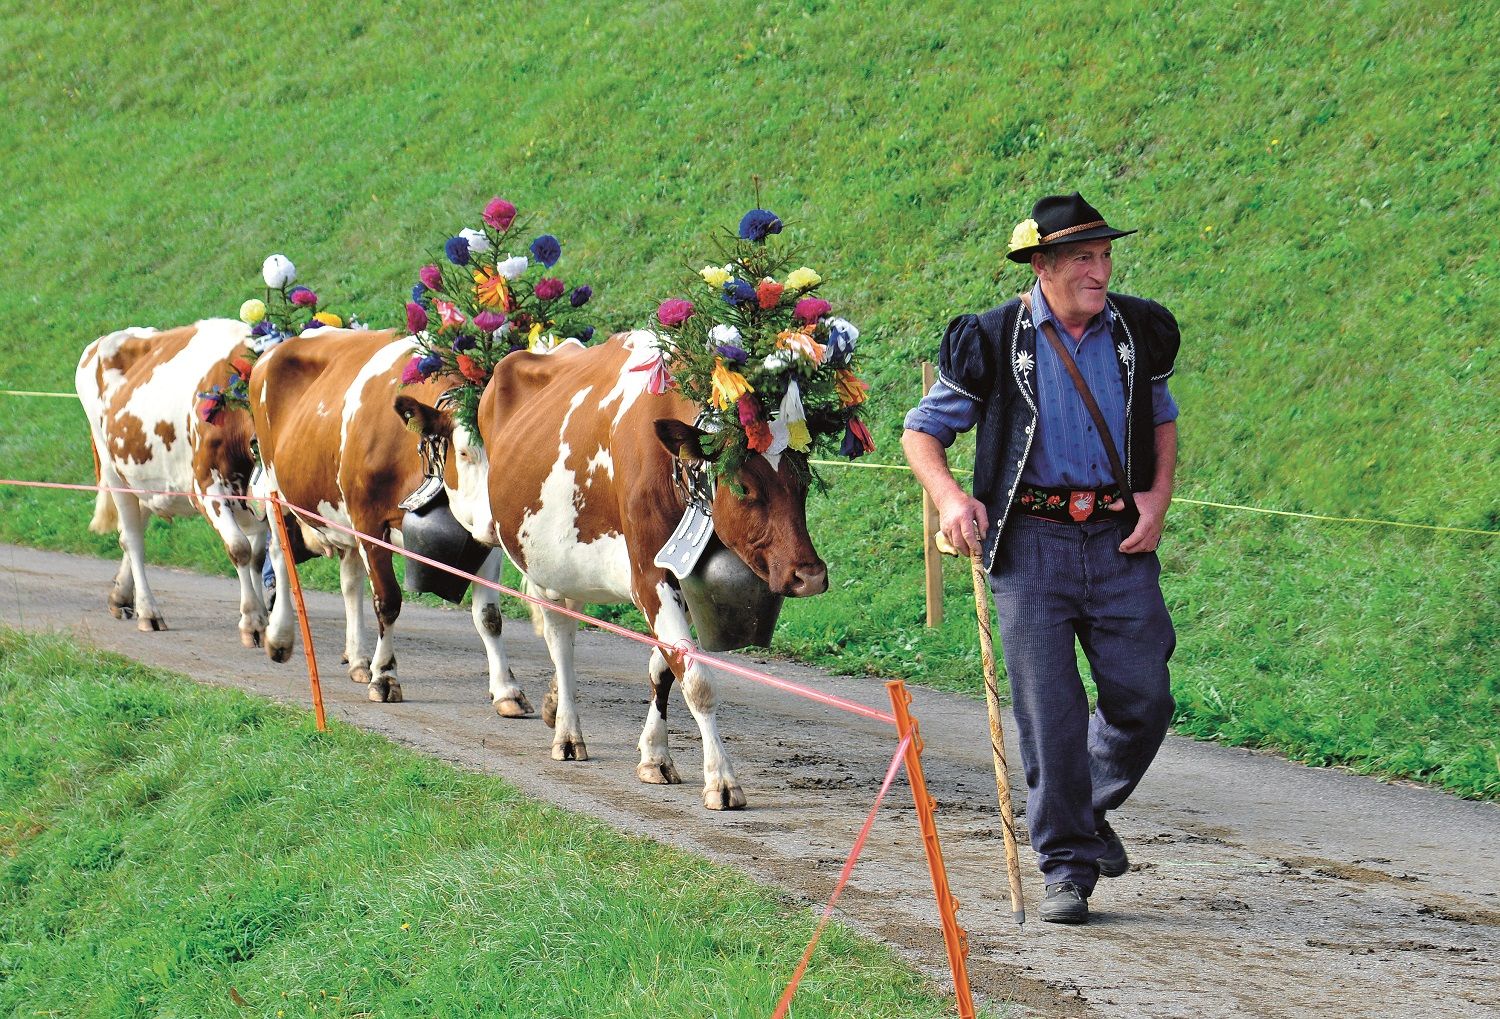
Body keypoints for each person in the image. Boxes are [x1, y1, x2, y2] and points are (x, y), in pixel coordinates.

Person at [902, 191, 1180, 925]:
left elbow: (1162, 419)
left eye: (1105, 255)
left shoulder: (1138, 330)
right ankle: (1068, 865)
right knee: (1052, 711)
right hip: (1031, 545)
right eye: (1085, 258)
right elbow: (921, 434)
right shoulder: (995, 338)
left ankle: (1081, 806)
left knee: (1145, 698)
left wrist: (1157, 500)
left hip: (1119, 539)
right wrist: (953, 500)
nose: (1101, 269)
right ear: (1045, 264)